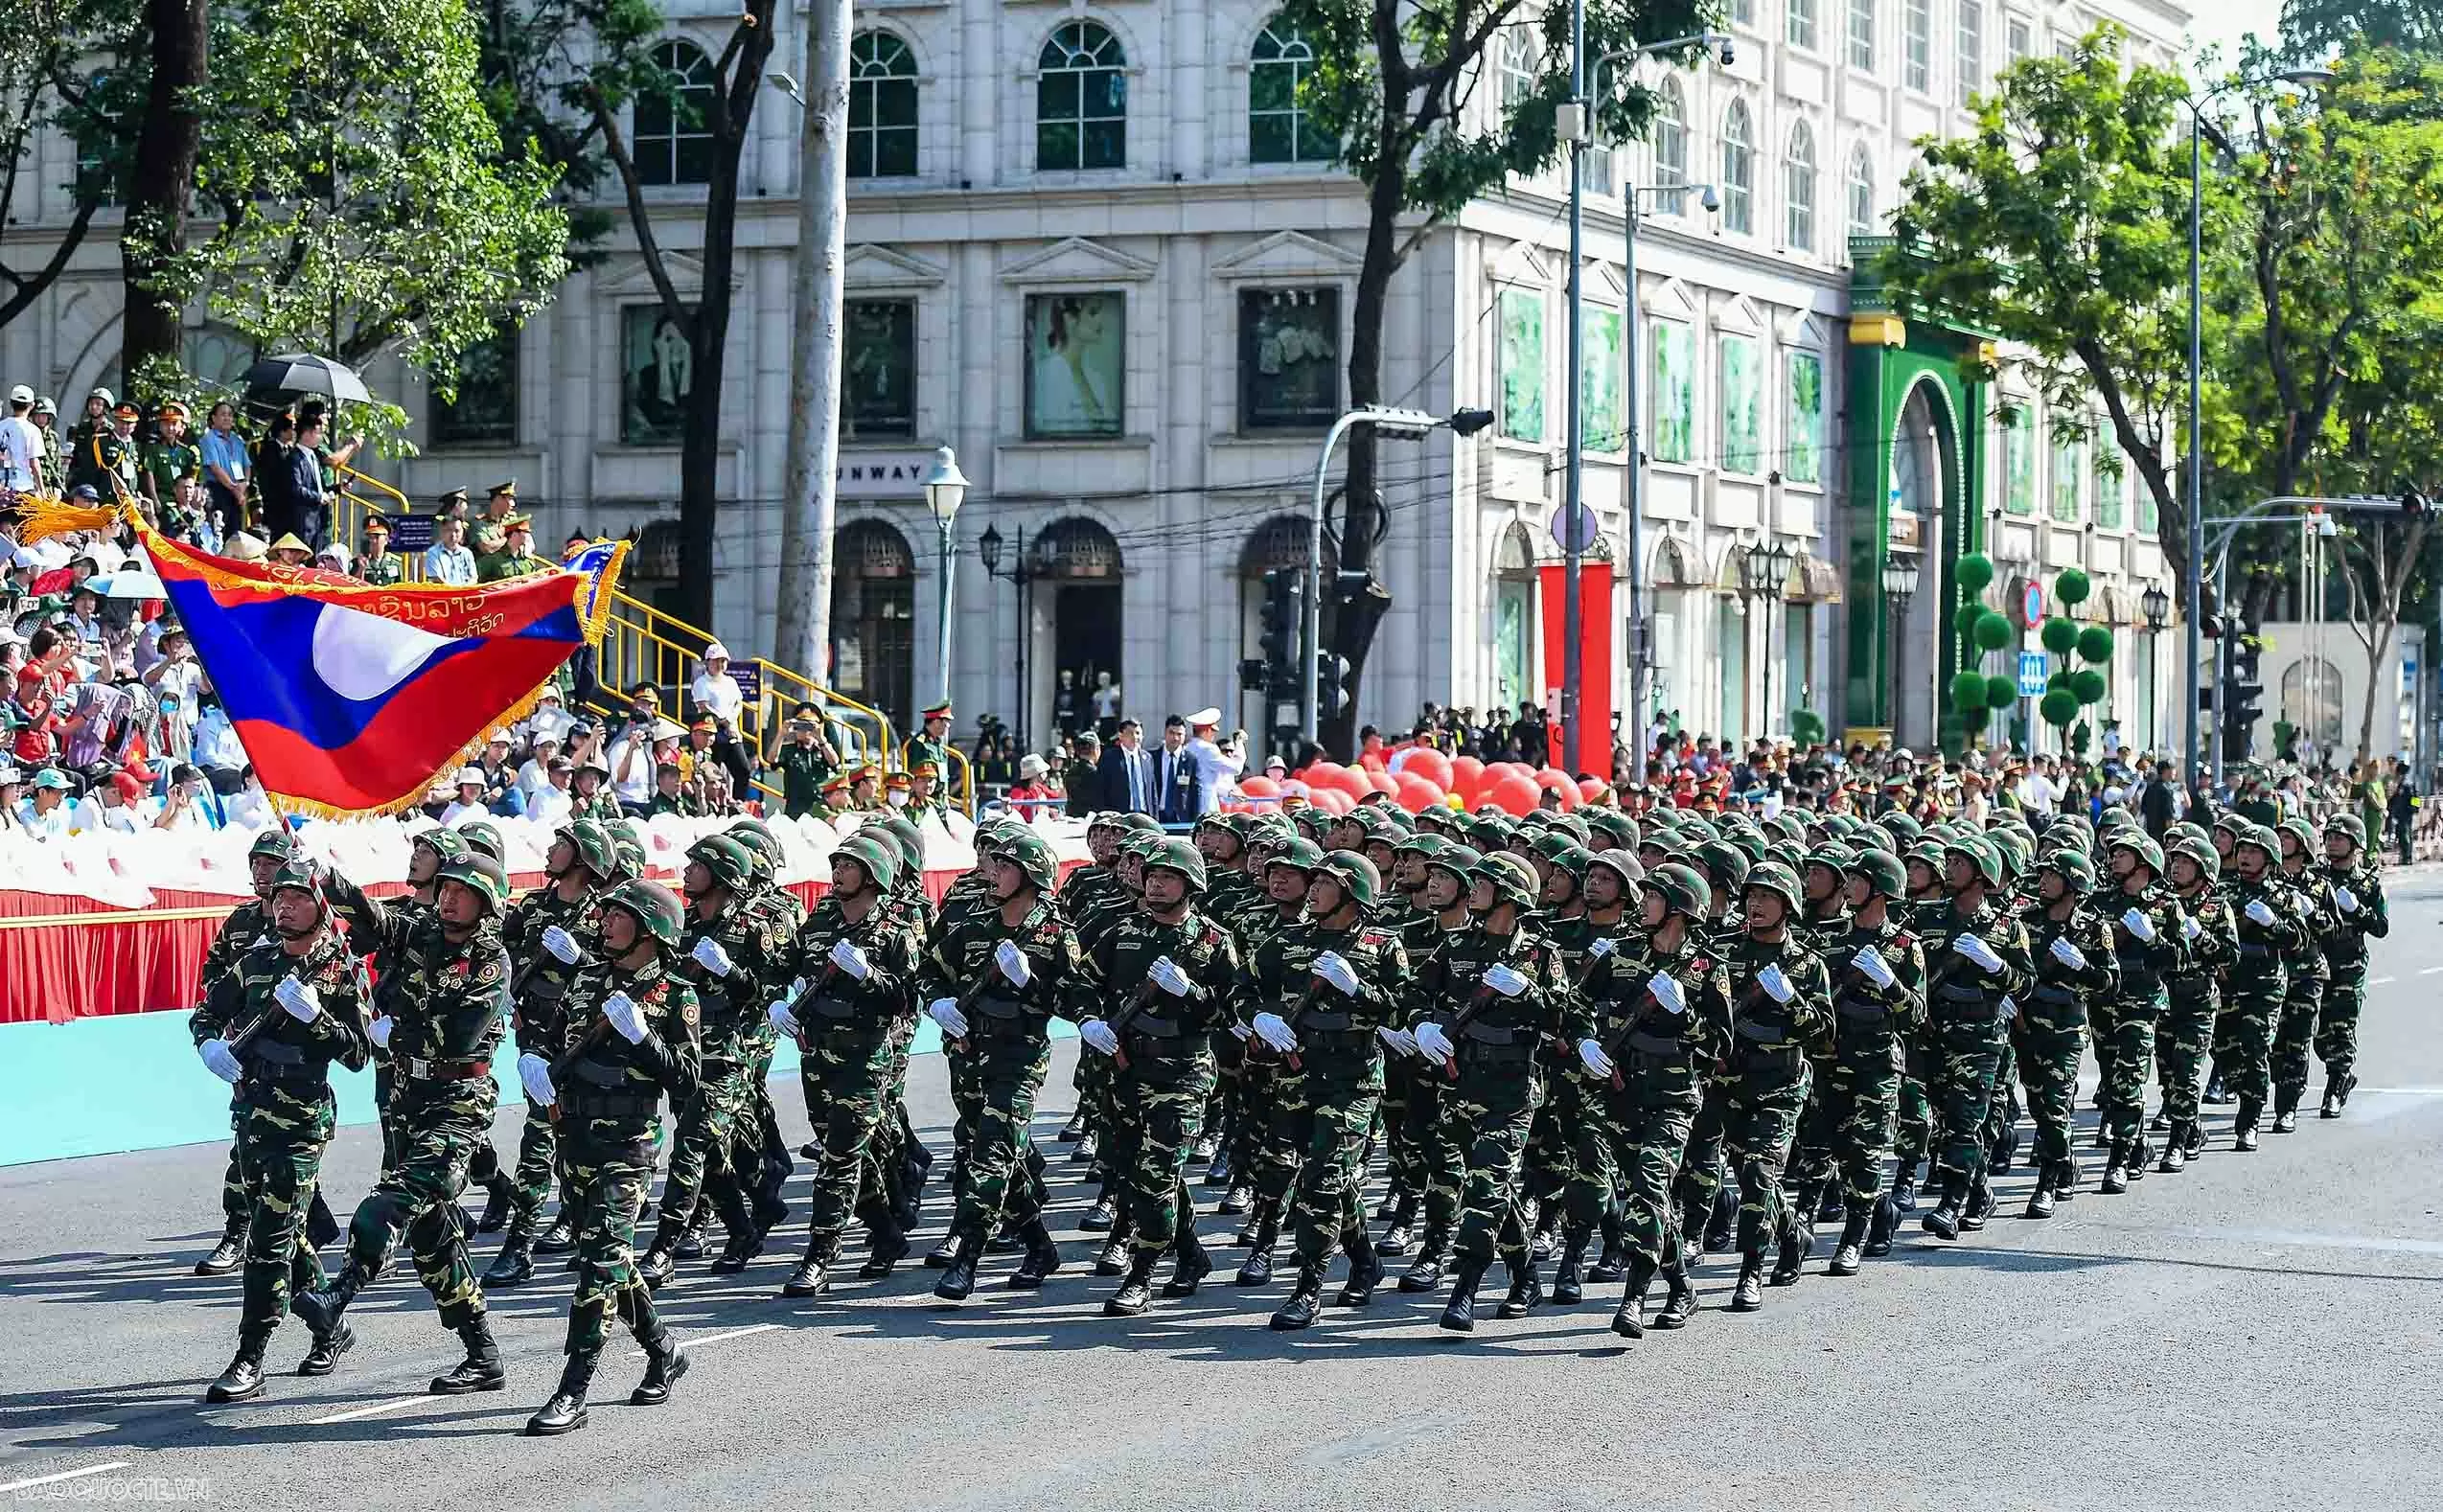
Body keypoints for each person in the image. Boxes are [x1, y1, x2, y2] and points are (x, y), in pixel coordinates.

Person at [290, 854, 517, 1396]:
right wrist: (328, 878)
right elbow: (370, 917)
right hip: (410, 1100)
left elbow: (463, 1033)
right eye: (447, 887)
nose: (449, 897)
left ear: (486, 903)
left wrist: (399, 1035)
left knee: (383, 1207)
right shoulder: (419, 929)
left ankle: (338, 1296)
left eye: (463, 891)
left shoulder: (490, 959)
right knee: (432, 1239)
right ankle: (482, 1354)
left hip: (459, 1101)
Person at [515, 878, 701, 1435]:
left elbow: (688, 1081)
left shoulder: (675, 995)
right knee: (608, 1256)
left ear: (647, 929)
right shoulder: (587, 978)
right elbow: (550, 1037)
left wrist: (647, 1040)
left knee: (598, 1264)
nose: (603, 921)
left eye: (617, 914)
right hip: (572, 1138)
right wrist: (531, 1062)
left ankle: (574, 1389)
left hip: (628, 1146)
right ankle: (664, 1350)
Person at [188, 860, 372, 1403]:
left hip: (299, 1122)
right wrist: (209, 1047)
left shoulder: (340, 971)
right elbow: (205, 1013)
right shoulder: (256, 961)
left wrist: (319, 1019)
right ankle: (329, 1324)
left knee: (267, 1240)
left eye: (296, 897)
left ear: (321, 906)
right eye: (279, 897)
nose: (282, 905)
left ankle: (250, 1357)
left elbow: (360, 1053)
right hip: (249, 1114)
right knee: (285, 1234)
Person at [919, 829, 1079, 1300]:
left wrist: (1030, 983)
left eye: (1005, 866)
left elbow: (1075, 1001)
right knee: (994, 1153)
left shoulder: (1055, 935)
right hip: (969, 1054)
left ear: (1030, 877)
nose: (993, 872)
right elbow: (931, 970)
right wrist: (938, 1004)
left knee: (989, 1154)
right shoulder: (973, 923)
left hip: (1019, 1055)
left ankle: (967, 1258)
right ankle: (1038, 1245)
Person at [769, 835, 924, 1296]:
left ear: (872, 875)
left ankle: (819, 1256)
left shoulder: (895, 931)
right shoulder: (820, 919)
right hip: (816, 1054)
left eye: (849, 866)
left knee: (839, 1157)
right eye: (835, 864)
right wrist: (780, 999)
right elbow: (785, 964)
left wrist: (868, 975)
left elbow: (907, 996)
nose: (837, 873)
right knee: (859, 1156)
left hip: (865, 1057)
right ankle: (887, 1231)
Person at [2313, 813, 2386, 1119]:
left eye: (2339, 838)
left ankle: (2336, 1085)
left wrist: (2359, 909)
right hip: (2317, 963)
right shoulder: (2315, 877)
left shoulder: (2367, 883)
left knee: (2341, 1028)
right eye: (2329, 836)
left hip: (2349, 965)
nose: (2332, 842)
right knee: (2318, 1034)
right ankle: (2340, 1072)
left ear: (2355, 844)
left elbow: (2381, 926)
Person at [198, 401, 249, 537]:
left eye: (230, 415)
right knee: (220, 532)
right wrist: (235, 489)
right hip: (219, 490)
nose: (227, 418)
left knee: (237, 534)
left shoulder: (237, 440)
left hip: (239, 491)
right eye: (223, 414)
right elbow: (215, 468)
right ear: (214, 418)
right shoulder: (208, 439)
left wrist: (244, 484)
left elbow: (247, 465)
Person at [1182, 708, 1241, 815]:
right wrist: (1239, 744)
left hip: (1189, 803)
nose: (1214, 735)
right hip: (1207, 804)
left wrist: (1227, 792)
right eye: (1213, 731)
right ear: (1207, 731)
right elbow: (1237, 768)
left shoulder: (1186, 747)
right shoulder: (1209, 749)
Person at [1098, 717, 1157, 815]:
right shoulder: (1110, 757)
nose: (1135, 737)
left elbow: (1152, 790)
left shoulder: (1147, 758)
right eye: (1130, 733)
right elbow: (1102, 789)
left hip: (1145, 814)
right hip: (1121, 815)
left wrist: (1155, 818)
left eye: (1138, 733)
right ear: (1120, 736)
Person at [0, 383, 47, 493]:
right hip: (23, 488)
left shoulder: (1, 426)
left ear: (11, 403)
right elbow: (34, 463)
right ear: (32, 405)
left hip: (2, 489)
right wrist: (42, 490)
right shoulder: (33, 430)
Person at [423, 515, 478, 585]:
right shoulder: (433, 552)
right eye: (449, 530)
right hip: (445, 594)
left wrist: (463, 589)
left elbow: (474, 578)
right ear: (442, 531)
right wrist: (456, 591)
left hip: (465, 593)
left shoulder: (467, 553)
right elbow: (437, 579)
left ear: (462, 532)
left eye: (457, 531)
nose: (453, 535)